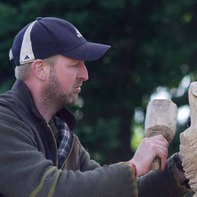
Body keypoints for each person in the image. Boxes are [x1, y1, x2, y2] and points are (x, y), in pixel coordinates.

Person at [0, 16, 190, 197]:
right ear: (40, 69)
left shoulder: (63, 136)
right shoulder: (4, 121)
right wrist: (132, 167)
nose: (85, 74)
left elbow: (116, 192)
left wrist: (181, 168)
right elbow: (45, 189)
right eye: (75, 64)